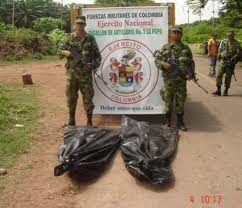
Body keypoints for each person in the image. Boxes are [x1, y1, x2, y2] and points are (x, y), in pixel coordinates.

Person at [59, 16, 102, 126]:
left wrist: (91, 65)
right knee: (71, 98)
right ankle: (71, 120)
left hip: (85, 76)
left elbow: (98, 57)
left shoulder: (90, 39)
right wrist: (65, 52)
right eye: (78, 24)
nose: (79, 26)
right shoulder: (69, 38)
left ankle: (89, 122)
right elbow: (59, 50)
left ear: (85, 25)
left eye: (82, 24)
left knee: (88, 99)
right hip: (72, 75)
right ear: (74, 25)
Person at [154, 26, 195, 131]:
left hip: (181, 81)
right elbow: (157, 60)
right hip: (169, 81)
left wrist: (190, 74)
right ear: (171, 34)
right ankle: (168, 122)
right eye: (174, 32)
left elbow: (191, 63)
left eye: (178, 33)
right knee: (168, 102)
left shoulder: (186, 48)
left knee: (180, 102)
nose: (176, 34)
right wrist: (164, 64)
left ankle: (180, 123)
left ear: (181, 34)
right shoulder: (165, 48)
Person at [213, 31, 241, 96]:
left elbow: (238, 53)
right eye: (228, 35)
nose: (229, 36)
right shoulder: (223, 42)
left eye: (231, 35)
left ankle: (226, 90)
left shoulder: (236, 43)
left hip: (231, 63)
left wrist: (233, 59)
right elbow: (219, 51)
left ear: (233, 35)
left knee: (228, 77)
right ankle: (218, 90)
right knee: (218, 75)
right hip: (223, 61)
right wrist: (221, 54)